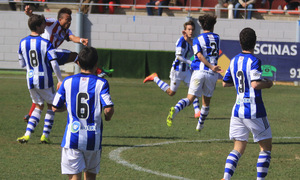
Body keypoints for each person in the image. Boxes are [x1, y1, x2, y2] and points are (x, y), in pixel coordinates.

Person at [23, 5, 113, 122]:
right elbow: (39, 21)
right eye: (67, 19)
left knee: (41, 90)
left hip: (48, 60)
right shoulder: (51, 22)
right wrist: (30, 14)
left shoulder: (66, 31)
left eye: (70, 20)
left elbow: (72, 37)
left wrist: (81, 40)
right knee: (75, 56)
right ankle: (96, 72)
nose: (69, 22)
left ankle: (30, 115)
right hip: (47, 54)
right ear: (60, 19)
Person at [52, 46, 114, 180]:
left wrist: (68, 103)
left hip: (72, 139)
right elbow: (108, 108)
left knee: (74, 177)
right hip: (93, 139)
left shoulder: (67, 82)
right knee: (91, 176)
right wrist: (107, 117)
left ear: (78, 63)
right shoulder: (101, 83)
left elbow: (55, 107)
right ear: (96, 64)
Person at [221, 27, 273, 180]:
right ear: (255, 42)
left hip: (238, 110)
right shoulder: (254, 61)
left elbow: (225, 83)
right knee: (265, 148)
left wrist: (238, 83)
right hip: (254, 109)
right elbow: (256, 84)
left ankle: (226, 177)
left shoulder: (234, 60)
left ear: (240, 42)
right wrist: (268, 84)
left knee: (238, 147)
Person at [166, 14, 222, 131]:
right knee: (206, 103)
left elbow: (199, 54)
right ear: (213, 26)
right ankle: (200, 125)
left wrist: (190, 41)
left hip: (199, 71)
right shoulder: (217, 38)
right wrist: (212, 66)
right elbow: (205, 49)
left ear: (201, 26)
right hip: (212, 74)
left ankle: (175, 109)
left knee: (190, 99)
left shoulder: (198, 39)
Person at [16, 14, 63, 144]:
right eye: (43, 24)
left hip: (30, 79)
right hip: (44, 79)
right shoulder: (46, 43)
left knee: (38, 106)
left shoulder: (22, 42)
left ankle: (27, 135)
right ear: (38, 26)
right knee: (52, 106)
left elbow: (22, 64)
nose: (45, 26)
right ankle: (45, 135)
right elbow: (54, 63)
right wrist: (60, 79)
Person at [143, 21, 201, 118]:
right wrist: (191, 62)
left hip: (186, 71)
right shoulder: (181, 41)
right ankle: (155, 78)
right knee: (171, 93)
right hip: (177, 71)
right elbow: (178, 57)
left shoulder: (192, 41)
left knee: (193, 89)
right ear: (185, 31)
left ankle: (197, 111)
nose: (191, 31)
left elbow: (191, 55)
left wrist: (193, 60)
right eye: (189, 29)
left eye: (192, 29)